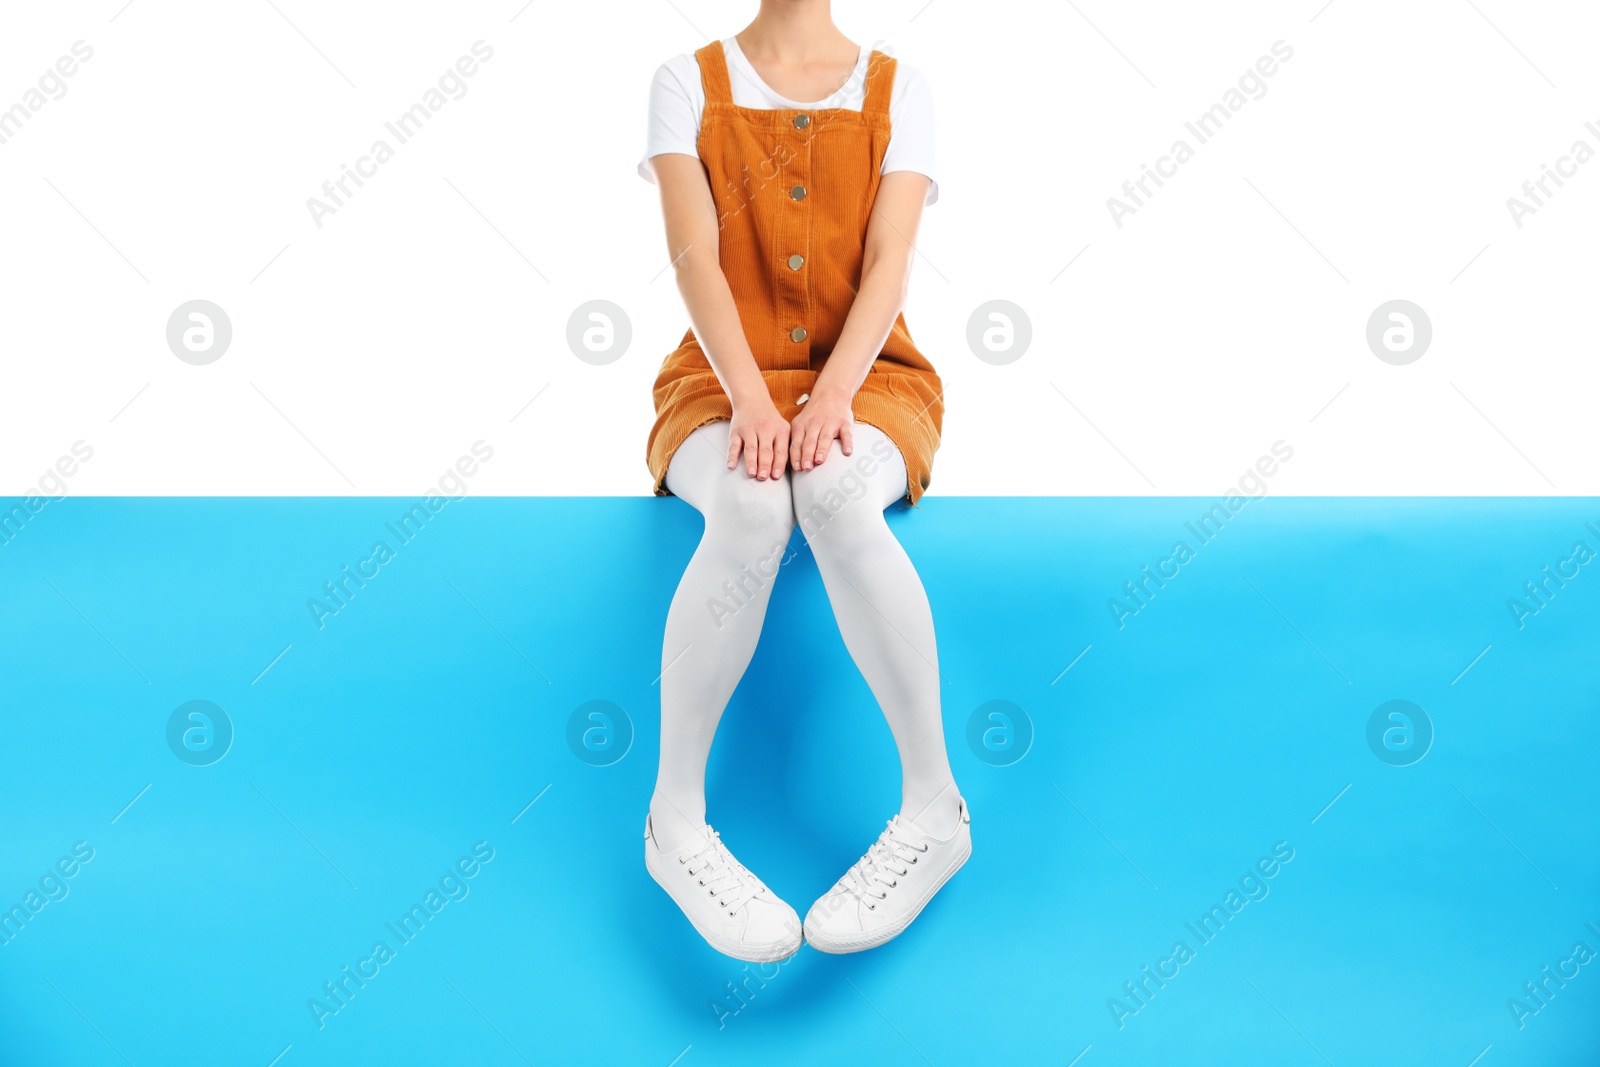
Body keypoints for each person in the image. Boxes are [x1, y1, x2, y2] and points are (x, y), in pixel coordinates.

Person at [637, 1, 968, 962]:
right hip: (717, 380)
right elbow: (694, 256)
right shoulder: (683, 82)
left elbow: (890, 261)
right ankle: (675, 821)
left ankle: (934, 807)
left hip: (870, 380)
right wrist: (750, 396)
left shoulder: (900, 86)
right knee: (746, 503)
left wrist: (831, 397)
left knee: (829, 491)